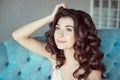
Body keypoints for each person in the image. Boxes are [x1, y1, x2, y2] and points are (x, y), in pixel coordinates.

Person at [12, 3, 106, 80]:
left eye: (68, 29)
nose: (60, 34)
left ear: (81, 34)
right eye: (57, 28)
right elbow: (18, 36)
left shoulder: (92, 71)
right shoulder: (55, 57)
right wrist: (50, 17)